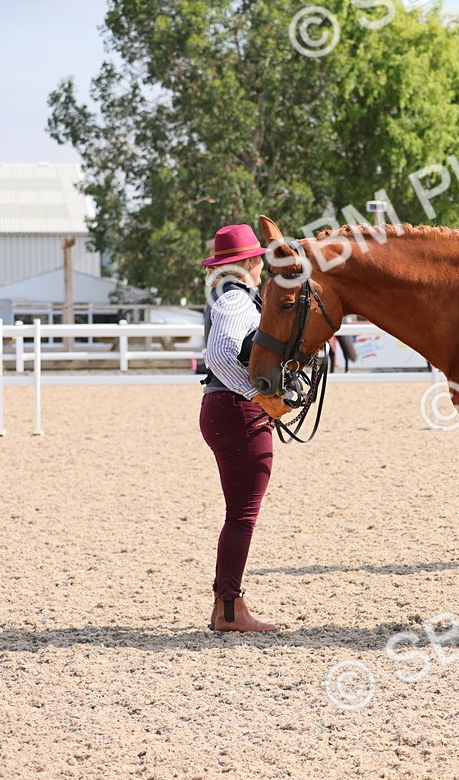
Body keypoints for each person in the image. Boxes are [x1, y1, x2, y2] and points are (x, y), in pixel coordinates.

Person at [199, 224, 292, 632]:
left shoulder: (224, 297)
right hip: (237, 410)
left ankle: (226, 606)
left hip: (222, 408)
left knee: (238, 514)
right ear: (250, 262)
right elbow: (220, 352)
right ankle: (231, 611)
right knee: (241, 516)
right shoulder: (237, 299)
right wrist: (258, 396)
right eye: (259, 261)